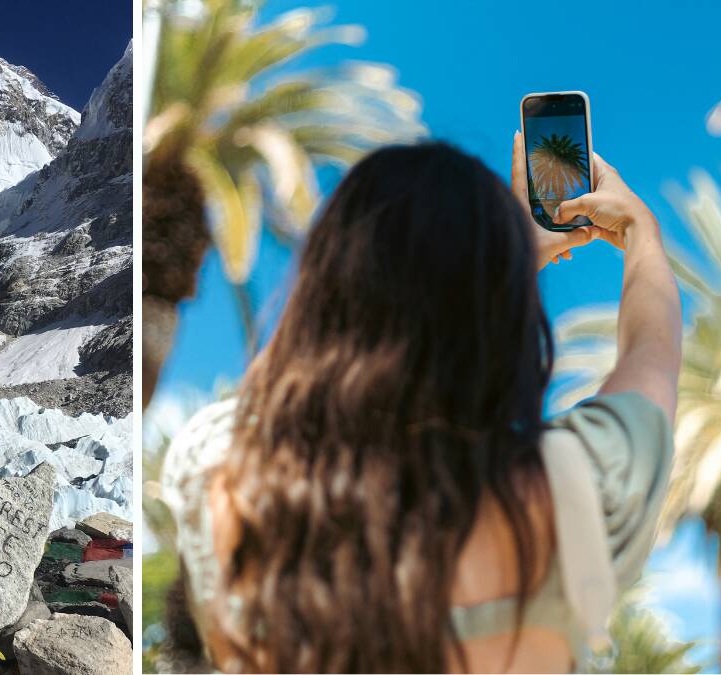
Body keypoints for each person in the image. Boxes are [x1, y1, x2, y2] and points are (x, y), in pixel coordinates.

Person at [160, 137, 681, 672]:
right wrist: (639, 232)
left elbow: (276, 386)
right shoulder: (571, 493)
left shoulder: (228, 485)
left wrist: (488, 263)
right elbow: (652, 358)